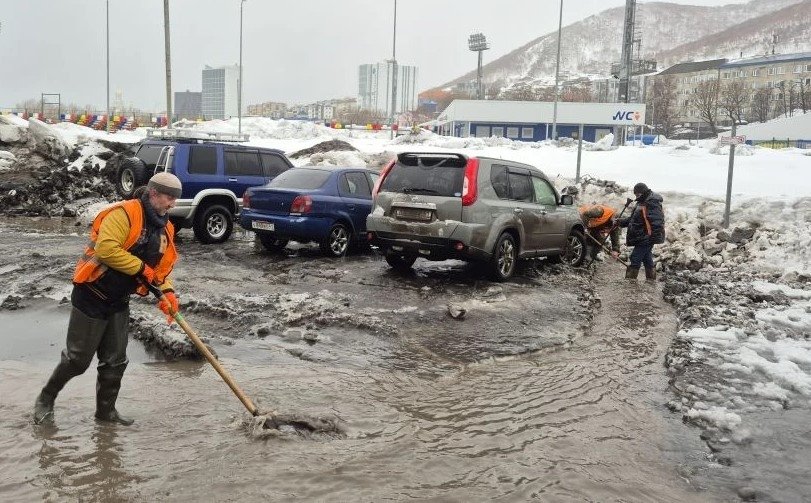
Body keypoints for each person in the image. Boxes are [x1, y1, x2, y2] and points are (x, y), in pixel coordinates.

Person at [33, 172, 183, 425]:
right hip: (92, 293)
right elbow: (107, 249)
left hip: (118, 299)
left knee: (115, 361)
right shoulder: (123, 213)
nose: (172, 205)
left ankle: (106, 413)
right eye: (169, 198)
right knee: (77, 360)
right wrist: (140, 269)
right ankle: (45, 399)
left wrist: (167, 292)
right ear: (154, 193)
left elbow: (157, 271)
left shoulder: (165, 228)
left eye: (175, 200)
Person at [619, 182, 665, 281]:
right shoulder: (641, 202)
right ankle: (651, 281)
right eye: (635, 194)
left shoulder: (651, 202)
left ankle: (630, 283)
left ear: (643, 192)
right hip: (643, 236)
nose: (636, 196)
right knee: (646, 258)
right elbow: (633, 220)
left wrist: (652, 238)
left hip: (647, 236)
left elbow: (657, 222)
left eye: (638, 194)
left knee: (635, 257)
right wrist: (620, 222)